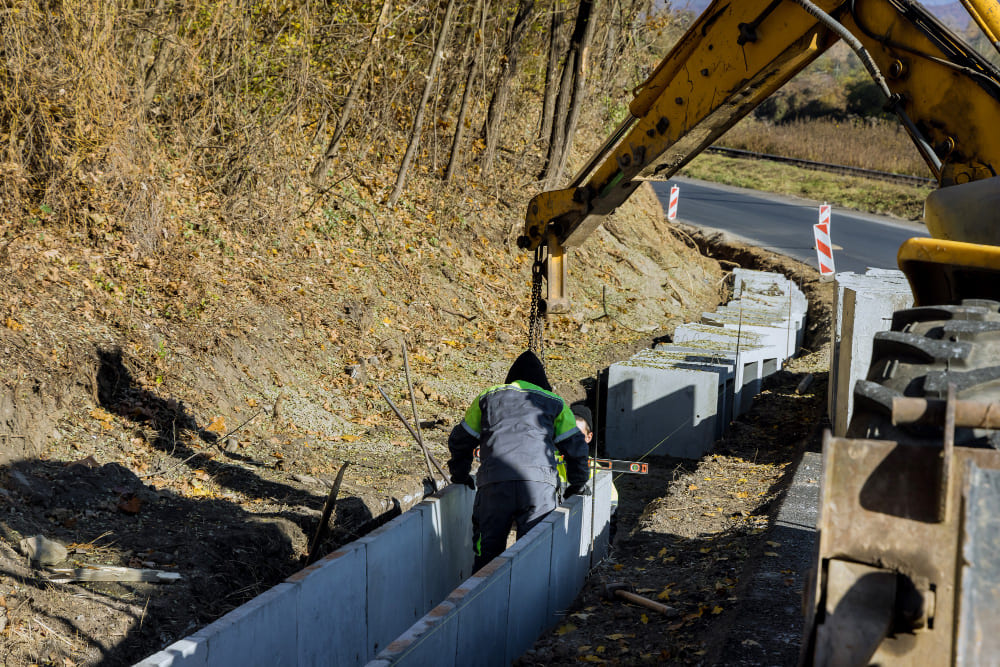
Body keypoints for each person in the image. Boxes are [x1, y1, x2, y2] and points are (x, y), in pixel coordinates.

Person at [447, 350, 590, 571]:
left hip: (494, 483)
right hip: (538, 487)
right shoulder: (556, 403)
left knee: (487, 552)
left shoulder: (487, 397)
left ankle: (483, 601)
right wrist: (577, 485)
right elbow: (577, 448)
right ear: (542, 383)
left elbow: (460, 439)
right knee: (533, 554)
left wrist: (460, 474)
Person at [567, 404, 620, 544]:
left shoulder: (597, 472)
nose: (572, 441)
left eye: (578, 435)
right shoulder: (550, 462)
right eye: (568, 434)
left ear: (589, 437)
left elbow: (610, 511)